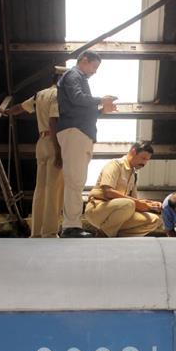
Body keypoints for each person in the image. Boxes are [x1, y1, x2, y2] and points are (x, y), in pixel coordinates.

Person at [55, 51, 117, 238]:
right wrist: (100, 100)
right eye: (94, 67)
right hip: (75, 131)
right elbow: (76, 97)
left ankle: (71, 224)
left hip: (80, 131)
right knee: (75, 180)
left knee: (77, 180)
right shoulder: (74, 75)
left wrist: (100, 110)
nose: (94, 72)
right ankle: (70, 226)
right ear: (84, 60)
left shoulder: (78, 77)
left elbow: (80, 107)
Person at [6, 69, 65, 238]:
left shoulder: (40, 94)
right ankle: (50, 231)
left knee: (41, 188)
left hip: (41, 142)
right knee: (54, 188)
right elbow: (54, 121)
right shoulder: (59, 94)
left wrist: (7, 112)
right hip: (55, 141)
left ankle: (37, 231)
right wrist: (59, 151)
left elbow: (20, 107)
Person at [85, 142, 162, 237]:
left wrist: (150, 204)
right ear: (133, 152)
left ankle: (118, 237)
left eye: (147, 160)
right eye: (143, 158)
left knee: (155, 220)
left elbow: (135, 203)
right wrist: (138, 203)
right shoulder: (115, 164)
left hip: (120, 213)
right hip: (98, 209)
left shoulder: (133, 175)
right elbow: (108, 192)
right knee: (129, 203)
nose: (144, 163)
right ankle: (103, 234)